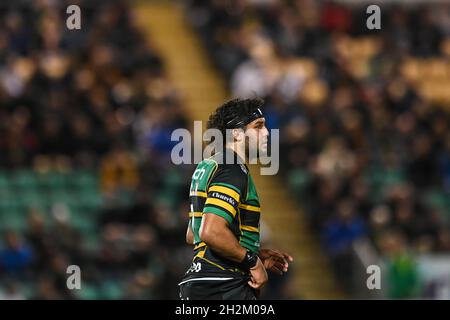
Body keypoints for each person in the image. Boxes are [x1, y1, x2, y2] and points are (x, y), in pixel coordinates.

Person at [178, 98, 293, 300]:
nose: (267, 133)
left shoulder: (209, 165)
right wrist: (252, 262)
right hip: (224, 285)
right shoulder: (232, 169)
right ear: (237, 134)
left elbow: (193, 234)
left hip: (202, 282)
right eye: (258, 126)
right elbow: (210, 231)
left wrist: (250, 250)